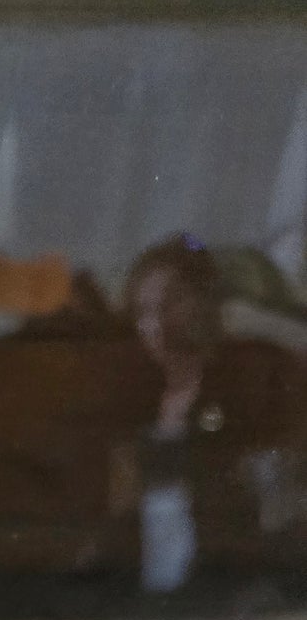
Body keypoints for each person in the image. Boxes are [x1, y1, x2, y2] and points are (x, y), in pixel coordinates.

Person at [114, 235, 307, 591]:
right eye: (144, 310)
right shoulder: (132, 403)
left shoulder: (256, 385)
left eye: (173, 301)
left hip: (235, 596)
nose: (158, 323)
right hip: (148, 600)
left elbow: (278, 515)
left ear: (209, 302)